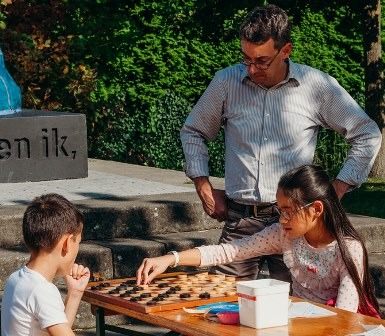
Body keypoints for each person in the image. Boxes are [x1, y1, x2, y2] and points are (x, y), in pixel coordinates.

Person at [180, 4, 382, 281]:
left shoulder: (317, 86)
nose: (252, 69)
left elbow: (367, 132)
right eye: (246, 59)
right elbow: (193, 131)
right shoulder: (226, 82)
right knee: (219, 308)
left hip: (295, 221)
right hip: (240, 217)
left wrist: (335, 190)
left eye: (262, 61)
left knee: (294, 311)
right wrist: (202, 186)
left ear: (285, 51)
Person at [137, 164, 381, 317]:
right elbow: (229, 251)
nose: (281, 217)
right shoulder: (284, 234)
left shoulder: (349, 249)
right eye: (279, 209)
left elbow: (343, 317)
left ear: (316, 209)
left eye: (288, 210)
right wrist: (172, 259)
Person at [1, 193, 90, 336]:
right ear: (67, 243)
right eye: (77, 243)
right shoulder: (42, 290)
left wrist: (74, 293)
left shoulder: (16, 278)